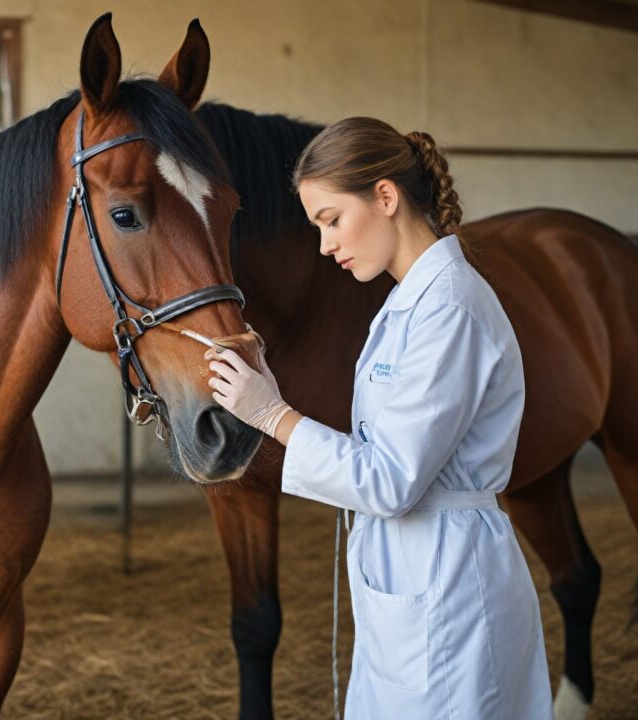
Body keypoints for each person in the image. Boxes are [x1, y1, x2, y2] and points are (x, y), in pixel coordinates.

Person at [204, 117, 554, 719]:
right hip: (411, 580)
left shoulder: (449, 309)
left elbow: (388, 480)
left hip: (449, 587)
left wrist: (271, 414)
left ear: (386, 197)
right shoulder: (407, 303)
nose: (324, 246)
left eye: (331, 220)